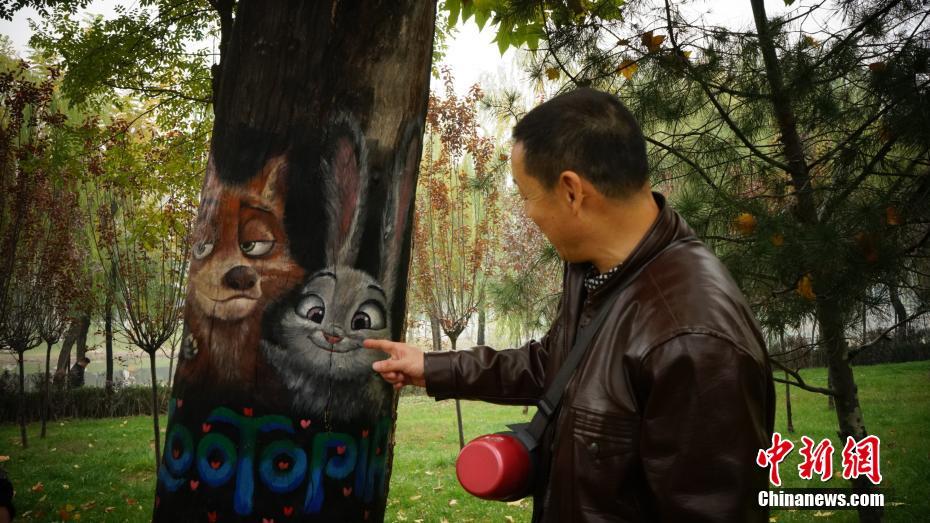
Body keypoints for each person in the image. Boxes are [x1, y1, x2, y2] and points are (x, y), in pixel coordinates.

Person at [364, 88, 774, 522]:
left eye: (525, 195)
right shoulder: (596, 267)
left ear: (572, 192)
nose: (527, 212)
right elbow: (555, 365)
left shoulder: (693, 340)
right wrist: (432, 367)